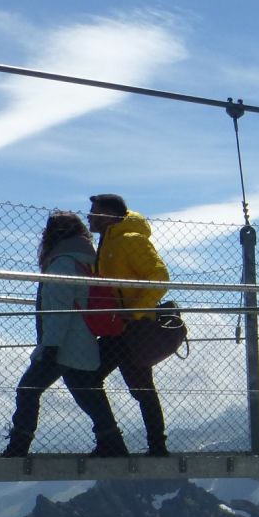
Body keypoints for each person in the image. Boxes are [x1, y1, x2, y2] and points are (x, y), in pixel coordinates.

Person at [3, 211, 128, 457]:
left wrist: (50, 346)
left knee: (28, 390)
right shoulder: (87, 261)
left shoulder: (61, 263)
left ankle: (19, 445)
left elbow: (60, 310)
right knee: (86, 391)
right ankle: (112, 442)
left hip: (63, 344)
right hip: (84, 341)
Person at [88, 192, 172, 456]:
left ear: (110, 215)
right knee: (140, 388)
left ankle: (115, 441)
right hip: (121, 327)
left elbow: (160, 276)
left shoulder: (128, 239)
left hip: (132, 327)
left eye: (95, 211)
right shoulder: (109, 241)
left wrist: (135, 312)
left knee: (95, 379)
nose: (89, 216)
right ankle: (152, 446)